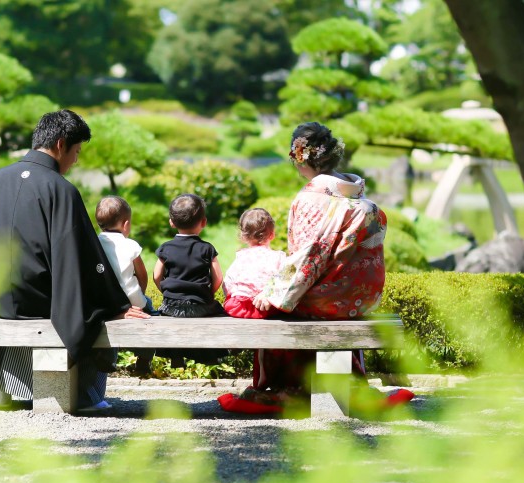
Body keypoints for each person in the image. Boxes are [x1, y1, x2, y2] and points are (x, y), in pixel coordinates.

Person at [219, 121, 412, 414]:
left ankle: (286, 389)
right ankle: (352, 385)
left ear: (300, 159)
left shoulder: (310, 199)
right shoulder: (357, 194)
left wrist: (273, 293)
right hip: (358, 297)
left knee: (275, 308)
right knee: (297, 300)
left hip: (324, 298)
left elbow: (308, 258)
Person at [0, 110, 148, 411]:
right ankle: (86, 396)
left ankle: (3, 388)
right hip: (36, 303)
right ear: (61, 145)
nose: (75, 160)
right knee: (90, 308)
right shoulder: (61, 189)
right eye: (76, 152)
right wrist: (117, 304)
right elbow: (82, 257)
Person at [153, 193, 225, 367]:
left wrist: (167, 291)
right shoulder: (207, 248)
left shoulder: (166, 248)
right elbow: (218, 278)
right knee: (217, 313)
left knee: (169, 318)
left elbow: (156, 275)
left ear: (172, 222)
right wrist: (207, 293)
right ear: (204, 222)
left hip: (171, 305)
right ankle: (209, 356)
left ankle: (176, 355)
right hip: (200, 304)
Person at [95, 196, 157, 315]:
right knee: (148, 303)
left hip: (106, 303)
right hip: (133, 303)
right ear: (126, 224)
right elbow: (143, 276)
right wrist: (141, 295)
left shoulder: (94, 244)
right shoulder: (130, 245)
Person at [222, 208, 286, 319]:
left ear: (243, 236)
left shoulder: (241, 256)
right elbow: (284, 280)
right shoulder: (278, 257)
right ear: (272, 234)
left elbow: (228, 281)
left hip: (238, 307)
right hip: (265, 308)